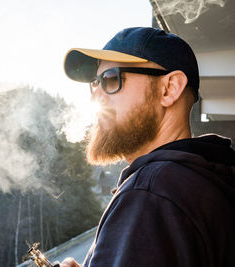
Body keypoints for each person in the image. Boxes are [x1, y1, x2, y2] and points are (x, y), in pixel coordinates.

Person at [60, 27, 235, 267]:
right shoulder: (204, 180)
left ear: (169, 88)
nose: (96, 97)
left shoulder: (150, 192)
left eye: (112, 79)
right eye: (95, 83)